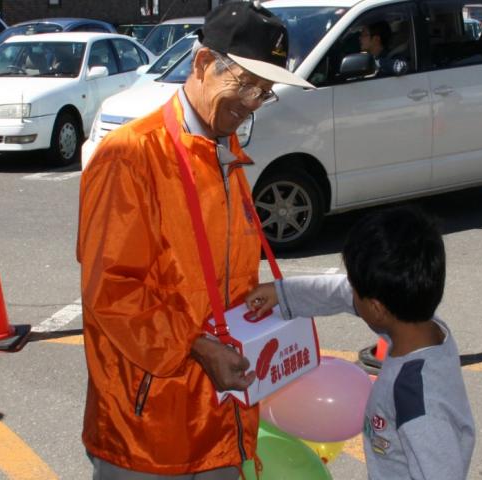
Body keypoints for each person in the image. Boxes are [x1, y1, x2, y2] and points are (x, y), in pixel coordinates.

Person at [76, 2, 313, 479]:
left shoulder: (225, 154)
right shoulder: (129, 156)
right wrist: (201, 347)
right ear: (203, 64)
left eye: (264, 93)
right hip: (145, 431)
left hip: (221, 420)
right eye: (246, 84)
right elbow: (112, 293)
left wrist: (260, 305)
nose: (252, 102)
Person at [245, 206, 476, 480]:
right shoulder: (420, 323)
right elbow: (342, 293)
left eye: (356, 288)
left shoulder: (416, 402)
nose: (349, 291)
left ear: (377, 308)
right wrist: (284, 294)